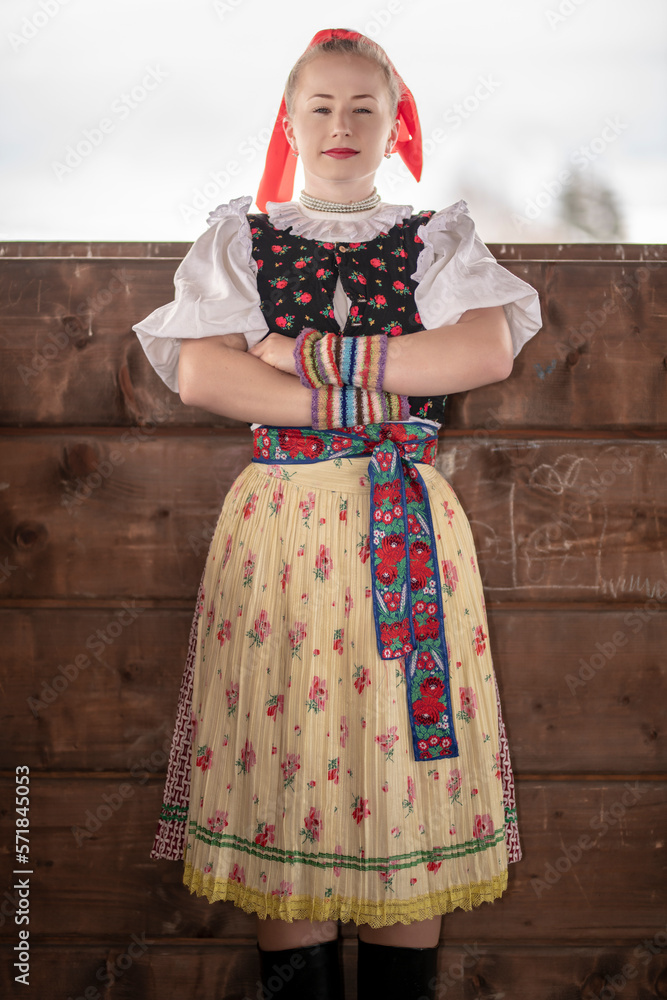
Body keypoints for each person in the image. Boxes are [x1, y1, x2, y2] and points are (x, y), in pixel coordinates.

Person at [132, 27, 542, 1000]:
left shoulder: (436, 237)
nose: (341, 124)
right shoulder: (242, 237)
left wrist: (305, 357)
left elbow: (481, 352)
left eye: (364, 106)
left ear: (396, 126)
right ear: (289, 123)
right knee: (289, 756)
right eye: (320, 106)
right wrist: (374, 393)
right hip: (281, 528)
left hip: (404, 527)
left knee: (403, 758)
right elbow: (204, 374)